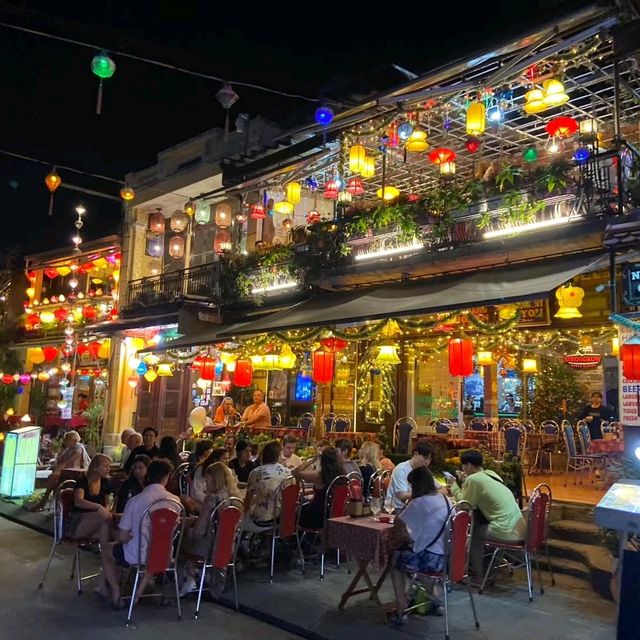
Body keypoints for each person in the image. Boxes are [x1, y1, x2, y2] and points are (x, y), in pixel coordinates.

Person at [105, 459, 181, 607]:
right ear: (166, 477)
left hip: (137, 554)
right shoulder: (175, 501)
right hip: (164, 554)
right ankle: (137, 594)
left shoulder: (135, 501)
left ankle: (116, 592)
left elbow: (122, 536)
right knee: (155, 544)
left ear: (148, 476)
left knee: (107, 550)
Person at [448, 449, 526, 579]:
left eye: (463, 466)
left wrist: (454, 486)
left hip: (504, 530)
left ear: (467, 465)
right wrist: (466, 481)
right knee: (479, 526)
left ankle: (476, 573)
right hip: (520, 527)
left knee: (475, 531)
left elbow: (465, 505)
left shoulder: (473, 480)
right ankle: (487, 568)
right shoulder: (492, 474)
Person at [389, 467, 451, 626]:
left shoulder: (417, 503)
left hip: (429, 559)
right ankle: (436, 600)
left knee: (396, 559)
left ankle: (401, 606)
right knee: (420, 565)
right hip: (446, 558)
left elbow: (398, 525)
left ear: (416, 485)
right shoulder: (445, 499)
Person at [179, 462, 241, 595]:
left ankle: (189, 577)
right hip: (228, 547)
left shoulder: (212, 499)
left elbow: (199, 531)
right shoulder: (235, 499)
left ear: (214, 480)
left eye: (207, 480)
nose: (206, 484)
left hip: (209, 547)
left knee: (185, 537)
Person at [66, 454, 117, 602]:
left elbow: (108, 506)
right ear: (95, 467)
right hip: (78, 523)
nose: (108, 469)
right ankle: (106, 577)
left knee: (106, 529)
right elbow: (78, 502)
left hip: (98, 525)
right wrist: (98, 507)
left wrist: (105, 509)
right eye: (105, 466)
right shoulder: (82, 482)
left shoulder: (105, 484)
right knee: (104, 520)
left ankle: (103, 580)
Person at [32, 430, 90, 510]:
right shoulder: (68, 449)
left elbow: (70, 461)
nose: (64, 441)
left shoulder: (79, 447)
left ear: (72, 440)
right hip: (66, 472)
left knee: (54, 478)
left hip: (75, 473)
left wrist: (59, 467)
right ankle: (45, 501)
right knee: (54, 479)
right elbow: (60, 461)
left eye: (66, 439)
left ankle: (43, 501)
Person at [293, 447, 344, 529]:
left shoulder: (320, 476)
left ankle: (293, 537)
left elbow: (295, 472)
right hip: (333, 513)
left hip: (318, 513)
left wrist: (312, 460)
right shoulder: (342, 475)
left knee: (294, 511)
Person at [244, 441, 291, 529]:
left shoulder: (256, 472)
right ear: (278, 455)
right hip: (283, 517)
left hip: (262, 518)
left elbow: (247, 501)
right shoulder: (288, 473)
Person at [388, 441, 442, 513]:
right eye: (425, 458)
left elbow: (443, 490)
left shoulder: (424, 471)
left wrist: (426, 493)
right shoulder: (401, 469)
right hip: (399, 509)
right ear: (415, 454)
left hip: (417, 508)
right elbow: (402, 496)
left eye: (429, 459)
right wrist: (428, 493)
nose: (427, 462)